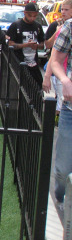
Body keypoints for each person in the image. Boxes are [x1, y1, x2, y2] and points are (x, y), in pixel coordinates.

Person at [48, 18, 72, 209]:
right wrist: (64, 80)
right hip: (70, 108)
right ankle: (60, 195)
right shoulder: (70, 26)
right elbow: (55, 60)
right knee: (63, 170)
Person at [7, 3, 45, 86]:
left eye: (34, 16)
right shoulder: (16, 25)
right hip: (19, 63)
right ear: (24, 13)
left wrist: (36, 46)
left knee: (37, 87)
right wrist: (26, 45)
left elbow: (42, 44)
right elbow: (10, 45)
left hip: (33, 65)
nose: (32, 18)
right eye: (30, 15)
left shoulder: (38, 26)